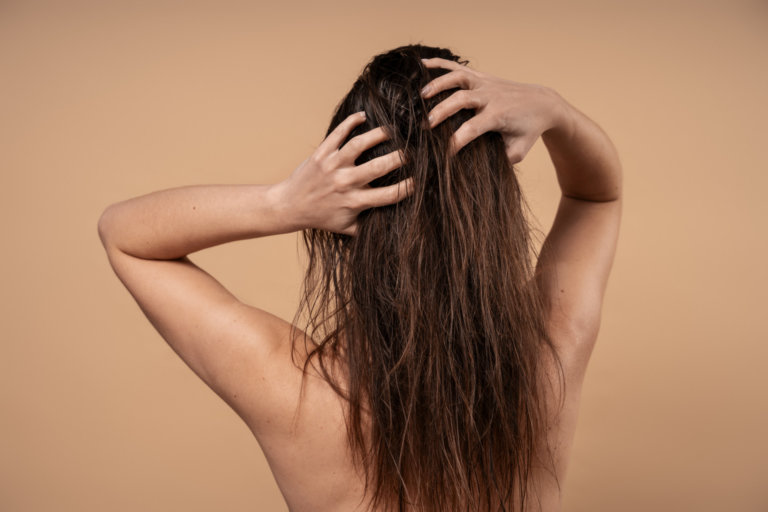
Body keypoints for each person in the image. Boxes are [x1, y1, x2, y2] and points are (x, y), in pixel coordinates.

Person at [98, 44, 622, 512]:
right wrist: (556, 111)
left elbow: (124, 236)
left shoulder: (294, 392)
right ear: (494, 208)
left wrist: (282, 204)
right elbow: (597, 195)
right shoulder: (548, 356)